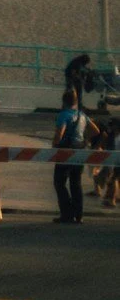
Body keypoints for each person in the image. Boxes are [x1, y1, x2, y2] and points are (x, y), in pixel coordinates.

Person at [51, 87, 88, 224]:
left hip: (65, 152)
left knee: (59, 182)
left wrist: (54, 145)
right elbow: (95, 131)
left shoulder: (64, 115)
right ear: (76, 101)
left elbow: (59, 134)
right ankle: (79, 215)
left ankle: (67, 213)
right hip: (79, 152)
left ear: (63, 101)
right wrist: (84, 140)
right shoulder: (82, 115)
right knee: (76, 183)